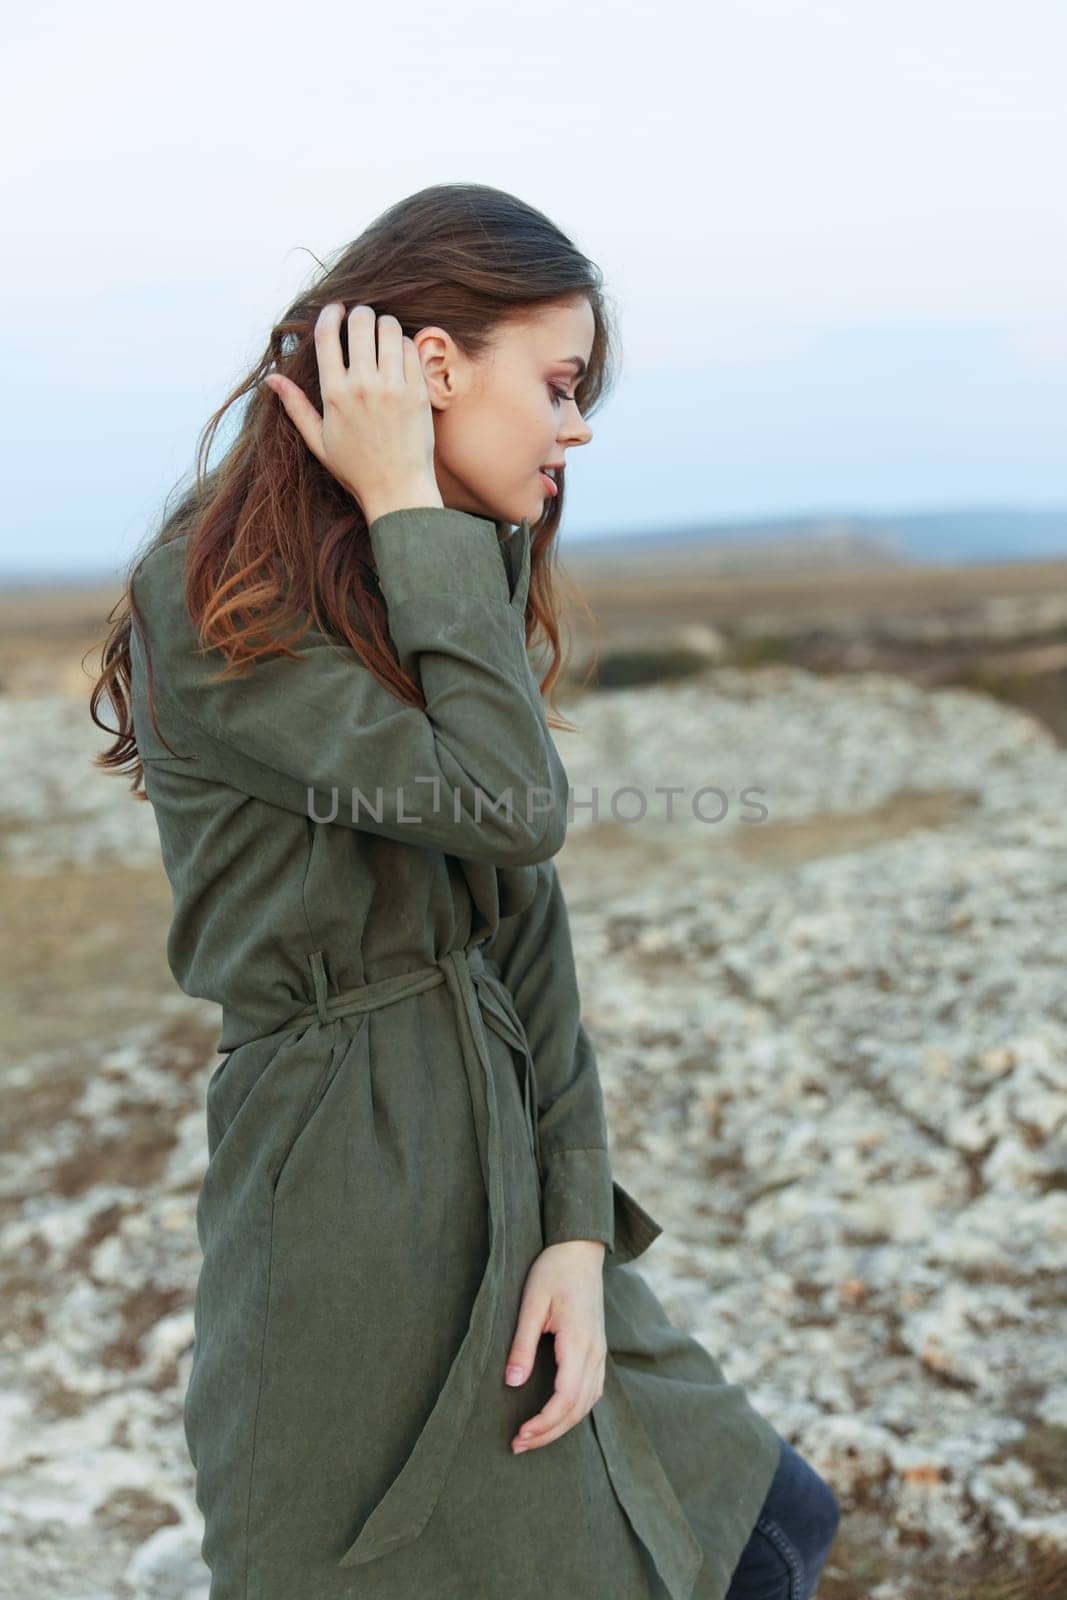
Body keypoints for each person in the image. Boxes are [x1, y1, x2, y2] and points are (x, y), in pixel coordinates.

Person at [90, 182, 841, 1600]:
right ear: (434, 369)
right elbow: (513, 809)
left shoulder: (421, 564)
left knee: (760, 1519)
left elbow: (520, 915)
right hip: (346, 1170)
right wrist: (408, 508)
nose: (577, 427)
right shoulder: (214, 589)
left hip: (498, 1115)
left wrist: (573, 1222)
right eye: (559, 385)